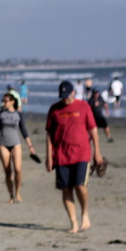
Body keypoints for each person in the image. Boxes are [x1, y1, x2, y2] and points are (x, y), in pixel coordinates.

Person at [46, 80, 105, 234]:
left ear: (73, 93)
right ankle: (73, 222)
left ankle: (84, 213)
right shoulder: (54, 109)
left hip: (82, 153)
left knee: (80, 185)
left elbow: (93, 129)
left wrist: (97, 152)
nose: (65, 99)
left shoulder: (83, 107)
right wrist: (49, 156)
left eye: (67, 95)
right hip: (61, 155)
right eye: (62, 96)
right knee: (66, 189)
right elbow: (49, 134)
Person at [0, 94, 36, 203]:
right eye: (2, 101)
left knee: (18, 170)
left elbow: (24, 131)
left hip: (16, 144)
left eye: (5, 101)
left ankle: (18, 193)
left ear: (12, 102)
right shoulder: (0, 114)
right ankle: (11, 196)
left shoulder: (19, 114)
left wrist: (30, 146)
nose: (3, 103)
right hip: (3, 144)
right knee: (8, 171)